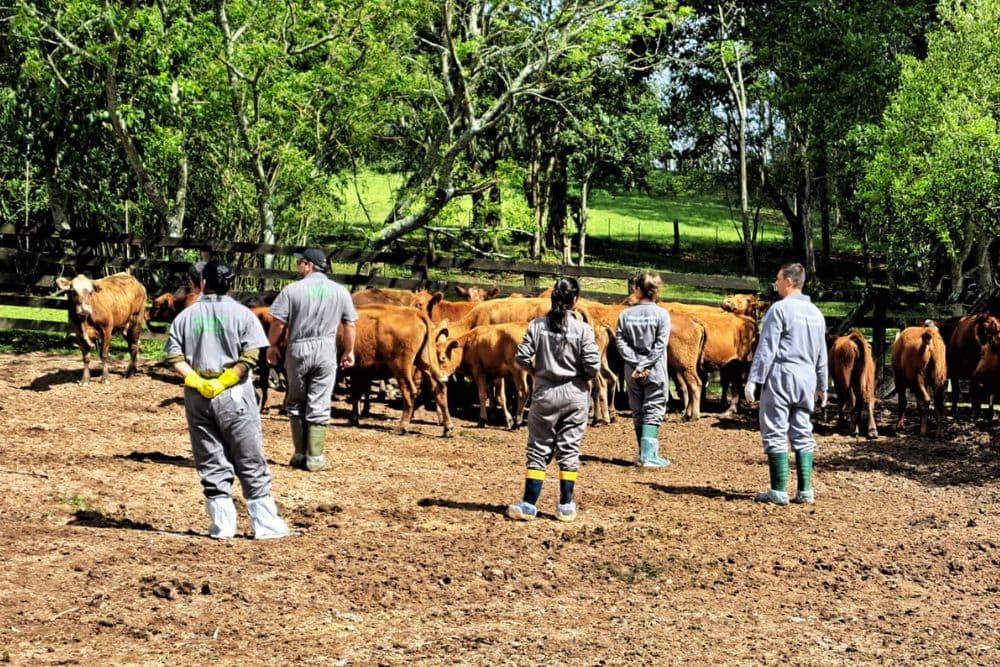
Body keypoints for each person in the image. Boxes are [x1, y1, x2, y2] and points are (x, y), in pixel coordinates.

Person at [165, 260, 290, 539]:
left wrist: (197, 381)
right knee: (248, 455)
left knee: (209, 456)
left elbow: (174, 357)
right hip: (234, 393)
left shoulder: (185, 316)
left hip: (197, 395)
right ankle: (266, 525)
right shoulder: (243, 315)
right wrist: (225, 380)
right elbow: (251, 356)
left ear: (203, 283)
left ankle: (222, 526)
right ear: (231, 284)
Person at [507, 277, 601, 522]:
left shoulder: (537, 326)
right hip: (575, 394)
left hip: (545, 394)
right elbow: (593, 365)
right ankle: (566, 506)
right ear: (576, 300)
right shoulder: (583, 329)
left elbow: (521, 357)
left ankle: (528, 504)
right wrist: (581, 376)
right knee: (569, 449)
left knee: (539, 449)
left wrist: (537, 372)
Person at [266, 248, 357, 472]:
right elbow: (350, 324)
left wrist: (273, 345)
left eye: (300, 264)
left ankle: (299, 455)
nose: (298, 267)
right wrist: (349, 351)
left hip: (298, 348)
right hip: (326, 349)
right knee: (320, 399)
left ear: (309, 265)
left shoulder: (292, 290)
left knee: (296, 400)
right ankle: (315, 458)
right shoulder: (340, 292)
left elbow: (278, 322)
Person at [744, 262, 828, 505]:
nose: (776, 283)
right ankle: (805, 490)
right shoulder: (816, 314)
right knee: (802, 431)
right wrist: (822, 385)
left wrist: (754, 379)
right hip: (807, 378)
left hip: (782, 375)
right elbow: (822, 352)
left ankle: (779, 490)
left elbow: (767, 347)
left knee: (775, 429)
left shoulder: (779, 310)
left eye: (778, 279)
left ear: (789, 282)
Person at [615, 270, 671, 468]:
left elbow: (620, 342)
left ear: (636, 289)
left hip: (631, 371)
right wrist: (645, 365)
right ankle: (649, 456)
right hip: (654, 371)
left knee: (638, 410)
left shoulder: (625, 315)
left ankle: (643, 453)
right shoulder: (662, 315)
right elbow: (660, 344)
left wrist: (636, 364)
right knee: (653, 409)